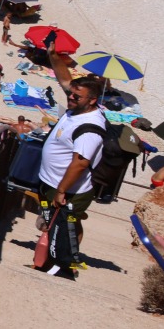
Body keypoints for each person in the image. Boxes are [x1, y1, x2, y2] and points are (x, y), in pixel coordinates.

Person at [34, 76, 107, 273]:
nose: (71, 97)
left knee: (67, 228)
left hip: (69, 190)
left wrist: (61, 190)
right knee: (56, 224)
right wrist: (53, 54)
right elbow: (64, 77)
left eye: (77, 96)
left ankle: (62, 267)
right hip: (51, 182)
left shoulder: (91, 129)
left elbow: (80, 163)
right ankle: (49, 261)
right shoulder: (77, 109)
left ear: (92, 100)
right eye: (71, 93)